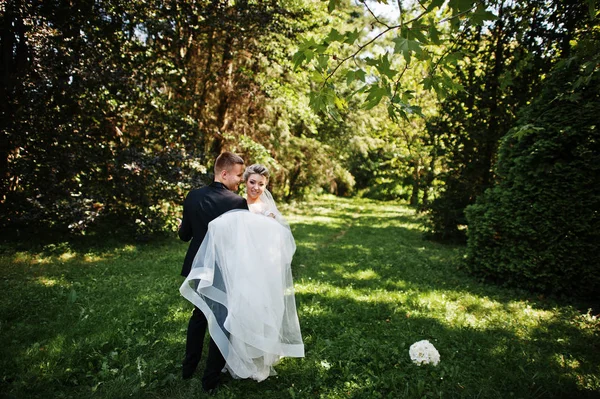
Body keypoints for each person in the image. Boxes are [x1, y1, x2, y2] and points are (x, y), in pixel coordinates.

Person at [180, 164, 304, 383]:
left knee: (248, 311)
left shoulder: (267, 210)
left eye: (261, 184)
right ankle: (227, 359)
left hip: (254, 270)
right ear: (245, 181)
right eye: (252, 182)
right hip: (233, 267)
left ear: (266, 186)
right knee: (230, 312)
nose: (255, 187)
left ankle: (248, 355)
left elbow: (281, 244)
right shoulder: (235, 204)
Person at [178, 151, 248, 391]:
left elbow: (184, 234)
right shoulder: (237, 203)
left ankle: (188, 369)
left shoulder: (193, 196)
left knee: (199, 316)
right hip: (223, 269)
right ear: (225, 173)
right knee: (222, 321)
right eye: (238, 175)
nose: (240, 180)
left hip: (197, 268)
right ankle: (210, 380)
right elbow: (242, 243)